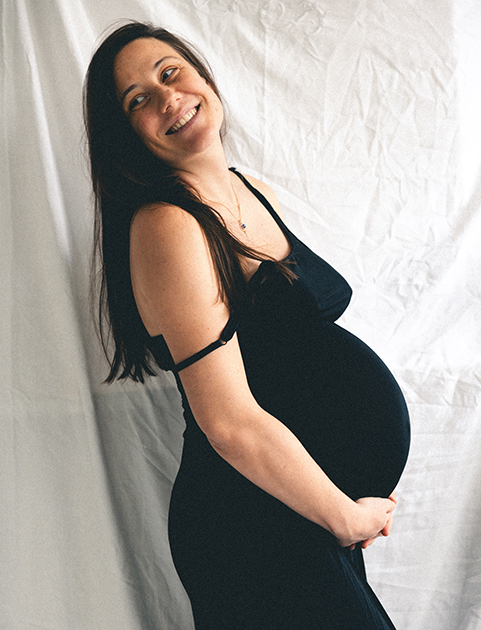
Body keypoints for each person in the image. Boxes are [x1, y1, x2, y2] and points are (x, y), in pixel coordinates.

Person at [84, 21, 410, 630]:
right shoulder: (168, 227)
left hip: (301, 510)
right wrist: (344, 515)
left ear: (204, 77)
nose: (165, 98)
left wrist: (343, 499)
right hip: (250, 526)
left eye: (169, 72)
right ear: (127, 138)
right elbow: (229, 423)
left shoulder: (252, 191)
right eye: (137, 101)